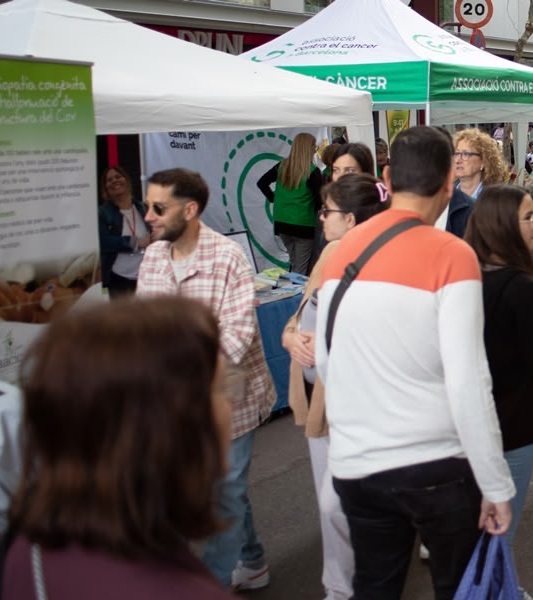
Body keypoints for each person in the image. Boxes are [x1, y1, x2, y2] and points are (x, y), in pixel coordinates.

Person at [310, 126, 513, 600]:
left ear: (387, 176)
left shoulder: (342, 253)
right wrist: (495, 484)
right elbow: (468, 382)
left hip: (357, 465)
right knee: (456, 587)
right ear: (447, 181)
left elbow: (327, 358)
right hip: (435, 465)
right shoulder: (452, 254)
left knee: (374, 586)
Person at [0, 296, 236, 599]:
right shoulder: (175, 589)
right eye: (221, 389)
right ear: (168, 424)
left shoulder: (11, 556)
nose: (232, 403)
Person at [136, 168, 276, 590]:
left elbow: (236, 334)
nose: (148, 216)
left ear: (191, 210)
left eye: (158, 208)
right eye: (147, 206)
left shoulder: (228, 257)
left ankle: (211, 585)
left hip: (229, 399)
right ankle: (252, 560)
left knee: (225, 488)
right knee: (216, 487)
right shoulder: (154, 257)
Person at [280, 174, 389, 600]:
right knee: (333, 505)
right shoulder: (328, 253)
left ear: (350, 217)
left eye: (326, 211)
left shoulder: (379, 262)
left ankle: (357, 584)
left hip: (355, 401)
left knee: (342, 503)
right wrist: (291, 336)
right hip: (319, 396)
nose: (319, 217)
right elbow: (303, 310)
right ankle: (340, 586)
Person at [462, 185, 533, 597]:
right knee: (501, 527)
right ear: (504, 227)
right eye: (530, 216)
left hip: (470, 424)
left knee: (484, 528)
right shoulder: (522, 289)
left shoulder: (463, 279)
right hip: (512, 426)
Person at [257, 133, 324, 273]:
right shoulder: (312, 171)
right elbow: (320, 199)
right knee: (301, 269)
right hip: (303, 224)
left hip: (282, 222)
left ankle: (290, 290)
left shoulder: (282, 166)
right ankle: (298, 293)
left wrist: (273, 198)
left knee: (294, 263)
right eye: (314, 146)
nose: (315, 149)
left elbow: (262, 183)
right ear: (307, 148)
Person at [97, 166, 149, 296]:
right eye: (109, 180)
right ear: (106, 188)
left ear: (127, 180)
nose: (114, 181)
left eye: (118, 177)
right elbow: (103, 242)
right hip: (119, 280)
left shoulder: (143, 207)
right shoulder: (102, 213)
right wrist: (135, 243)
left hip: (146, 276)